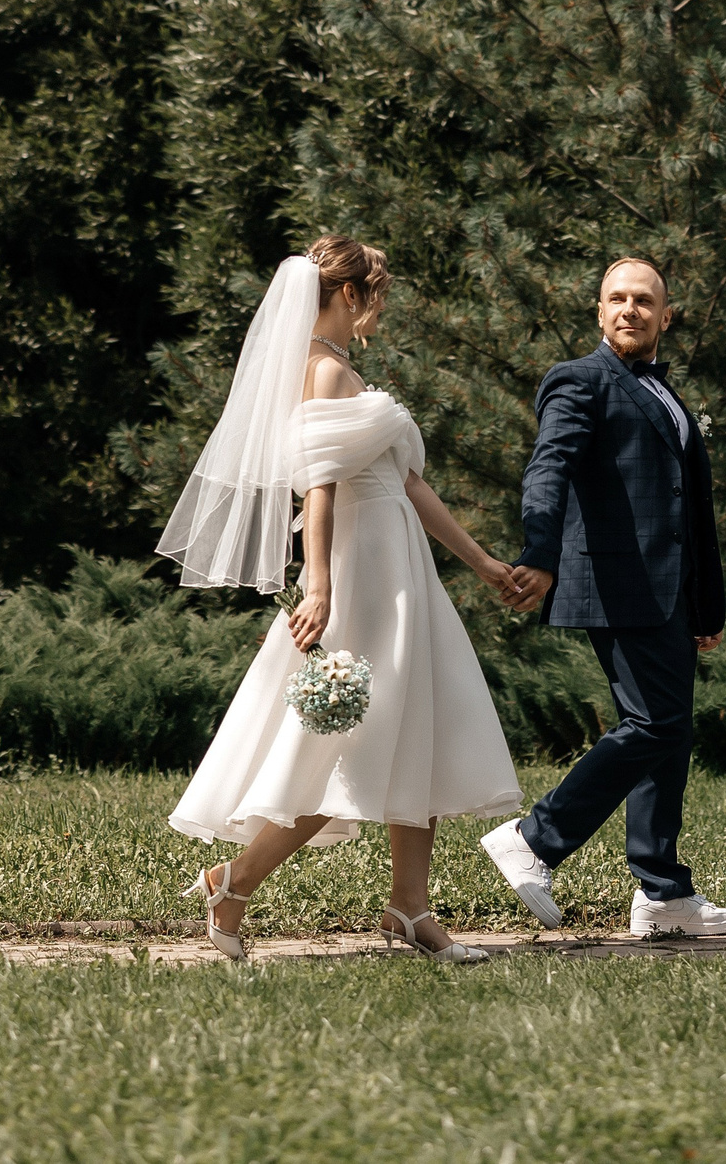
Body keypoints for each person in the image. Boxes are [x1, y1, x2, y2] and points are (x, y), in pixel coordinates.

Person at [161, 237, 524, 962]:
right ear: (351, 294)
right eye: (377, 295)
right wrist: (319, 584)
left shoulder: (343, 369)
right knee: (344, 745)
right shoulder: (323, 372)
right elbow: (319, 488)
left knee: (419, 726)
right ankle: (234, 881)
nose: (378, 309)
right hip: (363, 570)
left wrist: (481, 562)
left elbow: (411, 485)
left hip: (401, 566)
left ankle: (410, 907)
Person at [479, 258, 726, 938]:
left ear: (666, 315)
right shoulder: (579, 379)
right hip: (616, 582)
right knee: (653, 724)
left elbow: (690, 510)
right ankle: (536, 838)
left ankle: (662, 892)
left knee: (670, 731)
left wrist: (705, 605)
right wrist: (537, 552)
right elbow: (549, 468)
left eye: (644, 300)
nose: (629, 309)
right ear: (599, 312)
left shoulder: (664, 393)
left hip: (668, 593)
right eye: (616, 299)